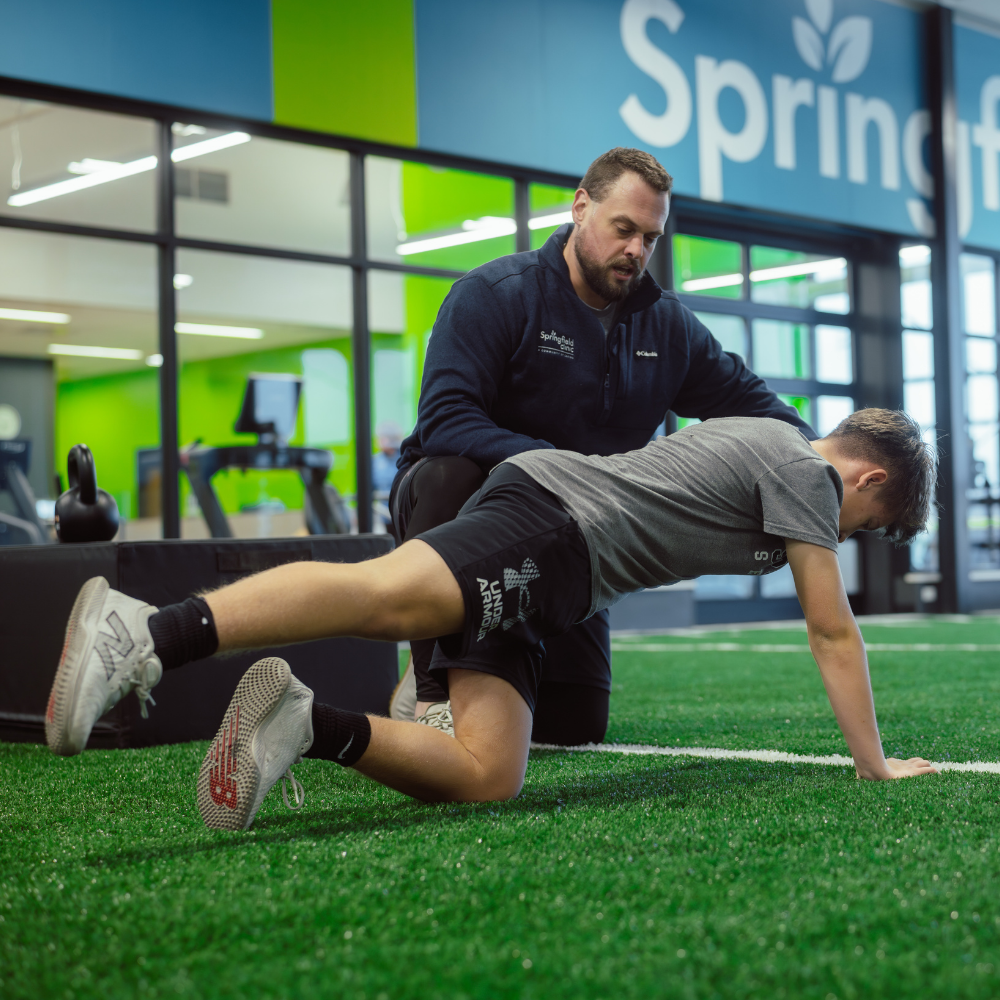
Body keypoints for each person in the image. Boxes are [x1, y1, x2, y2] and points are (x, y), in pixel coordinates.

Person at [46, 409, 938, 831]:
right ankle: (146, 631)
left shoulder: (775, 449)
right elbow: (830, 629)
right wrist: (875, 763)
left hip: (559, 575)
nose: (855, 537)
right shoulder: (805, 471)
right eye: (875, 526)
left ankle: (300, 724)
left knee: (488, 774)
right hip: (554, 526)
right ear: (868, 483)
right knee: (383, 593)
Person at [389, 147, 817, 745]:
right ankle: (434, 683)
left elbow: (753, 403)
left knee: (574, 728)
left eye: (651, 237)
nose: (637, 251)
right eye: (624, 230)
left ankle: (484, 661)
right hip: (466, 504)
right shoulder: (495, 294)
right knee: (445, 474)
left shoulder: (667, 327)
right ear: (582, 207)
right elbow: (445, 420)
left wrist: (825, 461)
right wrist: (567, 470)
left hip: (576, 527)